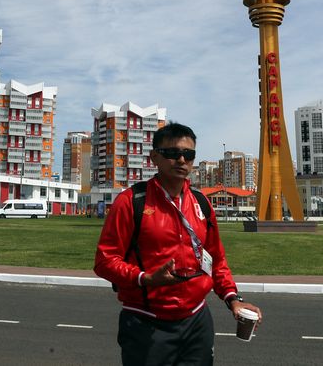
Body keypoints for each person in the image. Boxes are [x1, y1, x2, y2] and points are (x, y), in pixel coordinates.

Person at [94, 122, 263, 365]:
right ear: (154, 157)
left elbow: (216, 260)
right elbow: (104, 261)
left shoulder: (202, 203)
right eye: (172, 153)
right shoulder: (131, 202)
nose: (182, 160)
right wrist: (146, 278)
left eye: (189, 154)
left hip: (197, 321)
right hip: (147, 322)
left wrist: (233, 299)